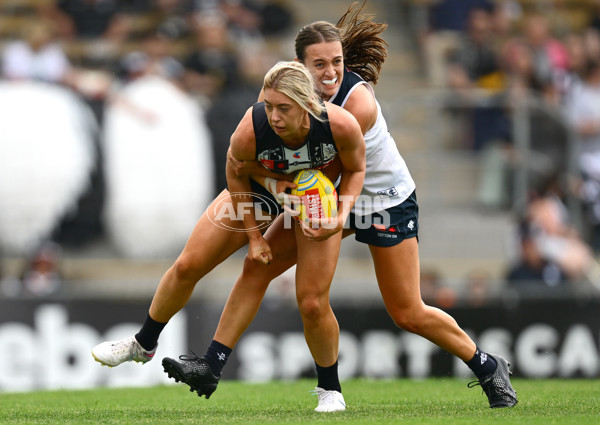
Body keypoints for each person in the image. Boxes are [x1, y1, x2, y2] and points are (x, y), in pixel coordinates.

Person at [93, 3, 517, 410]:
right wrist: (261, 218)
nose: (330, 72)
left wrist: (301, 204)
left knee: (405, 311)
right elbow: (261, 168)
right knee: (228, 265)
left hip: (375, 197)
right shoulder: (276, 102)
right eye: (319, 64)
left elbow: (330, 178)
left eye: (336, 62)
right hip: (300, 184)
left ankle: (485, 363)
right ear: (299, 67)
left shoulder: (354, 109)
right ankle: (185, 356)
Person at [93, 59, 366, 408]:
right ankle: (142, 344)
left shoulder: (339, 125)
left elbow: (357, 168)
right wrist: (254, 237)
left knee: (312, 302)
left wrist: (340, 215)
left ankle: (330, 390)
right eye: (269, 106)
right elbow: (235, 172)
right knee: (188, 265)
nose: (274, 116)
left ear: (307, 106)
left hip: (315, 201)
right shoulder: (253, 127)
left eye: (283, 108)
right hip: (257, 189)